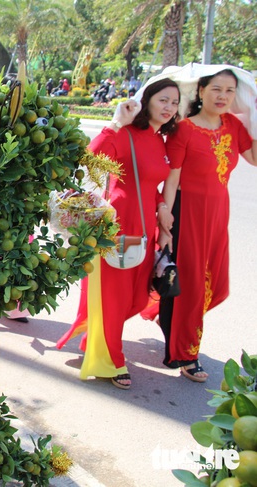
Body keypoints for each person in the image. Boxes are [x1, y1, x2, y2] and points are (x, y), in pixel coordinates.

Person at [55, 78, 181, 390]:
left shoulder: (160, 140)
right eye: (163, 100)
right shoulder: (126, 133)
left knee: (136, 296)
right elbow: (90, 157)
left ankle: (98, 337)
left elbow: (151, 185)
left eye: (175, 103)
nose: (169, 108)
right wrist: (115, 122)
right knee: (113, 297)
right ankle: (110, 360)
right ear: (147, 99)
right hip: (117, 224)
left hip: (144, 227)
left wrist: (163, 213)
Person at [156, 69, 257, 383]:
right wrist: (165, 216)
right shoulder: (184, 130)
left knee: (213, 280)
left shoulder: (234, 126)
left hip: (218, 213)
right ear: (200, 91)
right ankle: (185, 354)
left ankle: (172, 324)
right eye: (216, 89)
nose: (223, 96)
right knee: (193, 285)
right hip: (187, 212)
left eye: (229, 90)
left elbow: (254, 158)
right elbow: (171, 178)